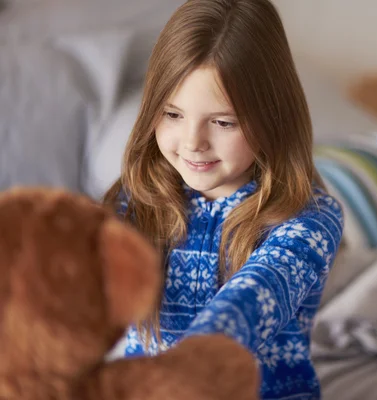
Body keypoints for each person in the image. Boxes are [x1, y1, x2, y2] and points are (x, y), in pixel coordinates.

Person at [103, 0, 344, 398]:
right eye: (172, 114)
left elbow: (258, 293)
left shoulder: (310, 220)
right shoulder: (136, 200)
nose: (193, 143)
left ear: (272, 117)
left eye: (222, 122)